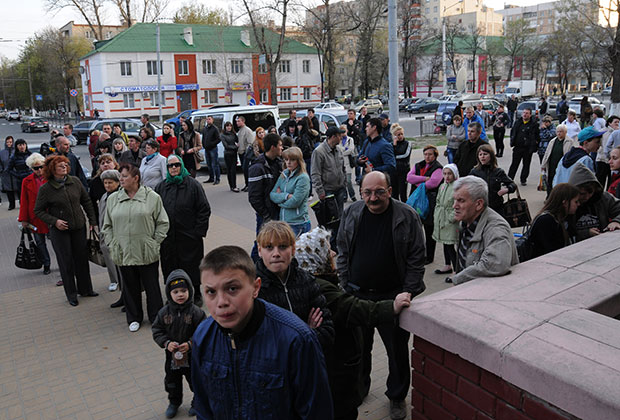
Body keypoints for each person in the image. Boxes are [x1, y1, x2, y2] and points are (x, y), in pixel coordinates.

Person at [192, 245, 333, 419]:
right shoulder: (203, 336)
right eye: (211, 292)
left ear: (255, 287)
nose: (221, 302)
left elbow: (316, 412)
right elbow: (203, 406)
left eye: (232, 289)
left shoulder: (295, 340)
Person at [294, 227, 412, 420]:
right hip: (338, 370)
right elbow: (353, 308)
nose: (333, 253)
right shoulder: (321, 287)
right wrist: (392, 307)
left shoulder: (312, 281)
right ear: (316, 256)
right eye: (327, 249)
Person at [337, 171, 425, 420]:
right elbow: (342, 249)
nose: (373, 198)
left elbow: (417, 257)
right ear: (361, 191)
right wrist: (344, 284)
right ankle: (360, 388)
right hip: (357, 295)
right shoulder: (352, 212)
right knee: (358, 348)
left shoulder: (406, 215)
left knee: (396, 350)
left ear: (389, 190)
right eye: (367, 192)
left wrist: (408, 290)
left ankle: (396, 396)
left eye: (379, 191)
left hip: (392, 297)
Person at [102, 163, 168, 332]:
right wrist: (112, 243)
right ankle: (134, 317)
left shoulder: (152, 197)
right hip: (123, 251)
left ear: (136, 178)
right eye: (120, 176)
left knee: (152, 286)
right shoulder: (112, 199)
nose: (120, 179)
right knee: (130, 287)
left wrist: (154, 242)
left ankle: (156, 317)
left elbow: (162, 222)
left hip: (146, 250)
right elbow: (107, 226)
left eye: (124, 176)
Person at [255, 221, 334, 352]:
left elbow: (327, 332)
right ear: (259, 251)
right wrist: (306, 331)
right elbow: (260, 343)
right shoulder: (254, 289)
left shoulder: (307, 281)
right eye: (269, 247)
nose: (276, 254)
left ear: (293, 250)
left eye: (282, 247)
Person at [34, 155, 98, 306]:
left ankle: (86, 289)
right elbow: (38, 211)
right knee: (66, 262)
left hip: (78, 227)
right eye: (60, 165)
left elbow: (86, 201)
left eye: (66, 165)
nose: (64, 167)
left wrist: (92, 221)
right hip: (60, 232)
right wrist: (55, 221)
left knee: (81, 259)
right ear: (52, 169)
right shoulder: (46, 188)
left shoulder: (74, 181)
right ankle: (71, 294)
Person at [155, 155, 211, 305]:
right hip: (168, 237)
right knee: (170, 265)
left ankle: (196, 293)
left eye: (176, 165)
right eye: (170, 166)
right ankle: (173, 294)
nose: (173, 168)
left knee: (192, 265)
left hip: (189, 236)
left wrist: (198, 232)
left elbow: (203, 209)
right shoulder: (161, 187)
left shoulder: (193, 185)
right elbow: (155, 211)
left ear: (181, 166)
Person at [152, 270, 206, 419]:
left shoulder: (197, 313)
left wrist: (190, 344)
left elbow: (203, 332)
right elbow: (157, 330)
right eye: (175, 292)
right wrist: (166, 342)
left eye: (184, 290)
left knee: (195, 380)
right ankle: (174, 402)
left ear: (190, 290)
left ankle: (198, 402)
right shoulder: (163, 313)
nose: (180, 294)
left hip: (192, 357)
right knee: (172, 381)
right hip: (172, 357)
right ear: (170, 294)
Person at [446, 176, 518, 285]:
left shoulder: (496, 228)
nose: (454, 206)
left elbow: (496, 263)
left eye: (461, 200)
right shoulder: (465, 221)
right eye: (455, 200)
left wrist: (458, 278)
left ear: (479, 204)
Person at [248, 133, 283, 261]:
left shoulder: (279, 163)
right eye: (280, 145)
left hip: (278, 211)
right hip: (266, 215)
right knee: (262, 244)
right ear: (273, 147)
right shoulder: (258, 168)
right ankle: (254, 268)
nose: (282, 148)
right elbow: (254, 197)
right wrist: (266, 214)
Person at [407, 144, 443, 264]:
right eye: (425, 154)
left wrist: (418, 182)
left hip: (429, 203)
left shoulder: (438, 168)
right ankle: (416, 254)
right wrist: (424, 179)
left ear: (435, 155)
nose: (427, 157)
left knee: (429, 229)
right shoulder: (419, 165)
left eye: (430, 154)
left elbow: (433, 183)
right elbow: (409, 177)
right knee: (415, 230)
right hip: (416, 202)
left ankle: (430, 256)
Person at [568, 163, 620, 241]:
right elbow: (564, 231)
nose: (587, 197)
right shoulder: (567, 202)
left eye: (591, 192)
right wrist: (586, 233)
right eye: (582, 194)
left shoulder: (604, 198)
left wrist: (616, 221)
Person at [18, 153, 51, 275]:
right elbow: (24, 201)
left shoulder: (50, 177)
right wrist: (23, 219)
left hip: (51, 215)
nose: (39, 170)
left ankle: (63, 262)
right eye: (36, 168)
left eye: (41, 167)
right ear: (31, 168)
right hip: (35, 217)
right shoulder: (26, 181)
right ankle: (46, 263)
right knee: (40, 242)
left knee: (57, 241)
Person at [527, 183, 579, 259]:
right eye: (576, 202)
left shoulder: (565, 217)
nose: (579, 204)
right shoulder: (546, 221)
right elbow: (551, 251)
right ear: (565, 203)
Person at [270, 147, 311, 235]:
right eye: (286, 159)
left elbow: (295, 202)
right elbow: (272, 194)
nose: (288, 162)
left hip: (298, 223)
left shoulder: (303, 178)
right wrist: (286, 196)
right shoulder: (284, 174)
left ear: (298, 161)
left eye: (292, 159)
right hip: (284, 222)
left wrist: (279, 202)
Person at [98, 169, 124, 302]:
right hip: (106, 237)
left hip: (118, 238)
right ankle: (122, 295)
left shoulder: (120, 196)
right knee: (114, 267)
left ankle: (126, 296)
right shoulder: (104, 197)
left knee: (122, 270)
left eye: (110, 183)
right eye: (105, 183)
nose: (107, 186)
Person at [470, 144, 516, 216]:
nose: (482, 156)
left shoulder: (498, 171)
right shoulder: (474, 172)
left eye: (485, 154)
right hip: (480, 208)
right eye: (480, 154)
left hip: (497, 207)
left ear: (491, 156)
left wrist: (507, 190)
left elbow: (513, 185)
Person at [312, 126, 348, 218]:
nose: (341, 137)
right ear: (333, 137)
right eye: (339, 135)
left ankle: (339, 232)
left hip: (340, 189)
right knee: (330, 218)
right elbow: (315, 173)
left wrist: (344, 183)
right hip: (328, 191)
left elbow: (342, 168)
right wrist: (320, 191)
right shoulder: (319, 152)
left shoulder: (338, 150)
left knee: (340, 216)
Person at [432, 164, 460, 277]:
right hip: (441, 217)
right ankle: (447, 264)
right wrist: (437, 214)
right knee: (444, 241)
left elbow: (458, 204)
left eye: (449, 174)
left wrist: (451, 217)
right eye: (445, 174)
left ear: (454, 174)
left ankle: (456, 268)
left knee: (450, 243)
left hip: (450, 218)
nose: (447, 176)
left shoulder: (457, 187)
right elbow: (438, 201)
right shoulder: (442, 186)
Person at [508, 108, 539, 186]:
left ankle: (523, 179)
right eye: (524, 113)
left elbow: (537, 136)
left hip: (527, 149)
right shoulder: (518, 122)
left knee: (526, 165)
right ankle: (509, 179)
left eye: (527, 113)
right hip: (518, 147)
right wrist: (512, 141)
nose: (525, 114)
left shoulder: (534, 124)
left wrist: (534, 145)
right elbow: (513, 132)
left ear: (530, 114)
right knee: (514, 164)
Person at [541, 125, 575, 193]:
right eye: (558, 132)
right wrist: (543, 165)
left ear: (565, 132)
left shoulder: (570, 141)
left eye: (561, 132)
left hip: (562, 165)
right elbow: (547, 153)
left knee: (559, 182)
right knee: (550, 181)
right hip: (552, 165)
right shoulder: (552, 141)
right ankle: (549, 197)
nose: (559, 133)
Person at [89, 153, 119, 221]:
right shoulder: (95, 182)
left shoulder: (122, 178)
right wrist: (95, 219)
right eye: (102, 163)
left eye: (108, 162)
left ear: (114, 164)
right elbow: (91, 202)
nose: (105, 165)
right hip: (104, 215)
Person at [596, 116, 619, 189]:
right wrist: (609, 157)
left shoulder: (616, 132)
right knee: (600, 180)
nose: (617, 124)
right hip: (602, 159)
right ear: (609, 123)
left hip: (612, 160)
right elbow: (605, 146)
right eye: (615, 122)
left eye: (618, 122)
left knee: (611, 180)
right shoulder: (604, 131)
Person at [391, 124, 411, 202]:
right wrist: (394, 145)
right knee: (394, 193)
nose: (400, 136)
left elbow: (405, 155)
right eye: (398, 135)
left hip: (404, 170)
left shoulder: (407, 143)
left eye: (401, 134)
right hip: (394, 171)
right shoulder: (392, 145)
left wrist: (395, 157)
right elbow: (391, 155)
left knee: (403, 192)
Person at [243, 126, 265, 193]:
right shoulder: (256, 142)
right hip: (259, 161)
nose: (261, 134)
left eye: (262, 132)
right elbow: (256, 153)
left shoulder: (265, 140)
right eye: (259, 133)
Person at [220, 121, 240, 192]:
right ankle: (232, 186)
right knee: (229, 170)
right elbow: (226, 146)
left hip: (234, 154)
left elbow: (238, 141)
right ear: (225, 127)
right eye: (227, 126)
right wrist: (235, 147)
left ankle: (234, 186)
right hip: (227, 154)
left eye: (230, 126)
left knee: (233, 170)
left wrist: (237, 146)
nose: (229, 127)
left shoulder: (233, 134)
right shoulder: (222, 135)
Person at [340, 124, 358, 202]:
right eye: (341, 131)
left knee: (348, 181)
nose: (343, 133)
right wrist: (344, 149)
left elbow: (351, 150)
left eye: (344, 131)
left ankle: (352, 195)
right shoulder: (338, 140)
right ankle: (344, 195)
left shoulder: (350, 139)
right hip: (340, 162)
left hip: (348, 162)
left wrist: (343, 151)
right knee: (342, 181)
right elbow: (338, 149)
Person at [201, 116, 221, 184]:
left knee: (215, 164)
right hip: (206, 149)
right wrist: (204, 144)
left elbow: (218, 139)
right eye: (207, 119)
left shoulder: (215, 129)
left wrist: (212, 144)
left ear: (212, 120)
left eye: (209, 119)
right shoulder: (205, 129)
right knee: (209, 164)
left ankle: (217, 178)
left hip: (213, 149)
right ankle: (211, 177)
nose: (208, 120)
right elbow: (203, 138)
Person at [236, 116, 253, 190]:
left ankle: (249, 185)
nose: (237, 123)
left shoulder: (247, 130)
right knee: (244, 170)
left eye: (239, 121)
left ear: (243, 121)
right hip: (240, 152)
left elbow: (250, 143)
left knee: (247, 170)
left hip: (245, 153)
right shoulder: (240, 131)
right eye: (237, 121)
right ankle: (246, 184)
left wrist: (246, 152)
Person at [1, 136, 17, 209]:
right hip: (6, 174)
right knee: (9, 191)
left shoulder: (16, 151)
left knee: (19, 190)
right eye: (7, 142)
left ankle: (21, 204)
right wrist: (1, 170)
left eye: (10, 142)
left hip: (16, 174)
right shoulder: (2, 153)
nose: (9, 144)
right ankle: (11, 205)